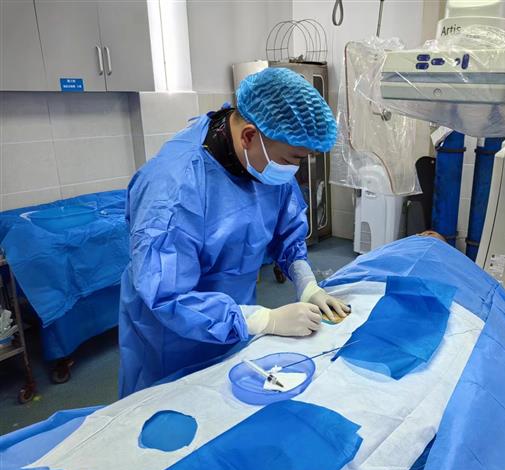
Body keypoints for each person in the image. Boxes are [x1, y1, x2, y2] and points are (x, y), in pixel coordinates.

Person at [119, 68, 350, 397]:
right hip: (172, 337)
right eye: (293, 159)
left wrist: (307, 283)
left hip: (236, 319)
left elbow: (286, 230)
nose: (294, 169)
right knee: (176, 409)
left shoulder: (264, 157)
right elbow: (167, 294)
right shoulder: (173, 187)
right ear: (248, 136)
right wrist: (264, 321)